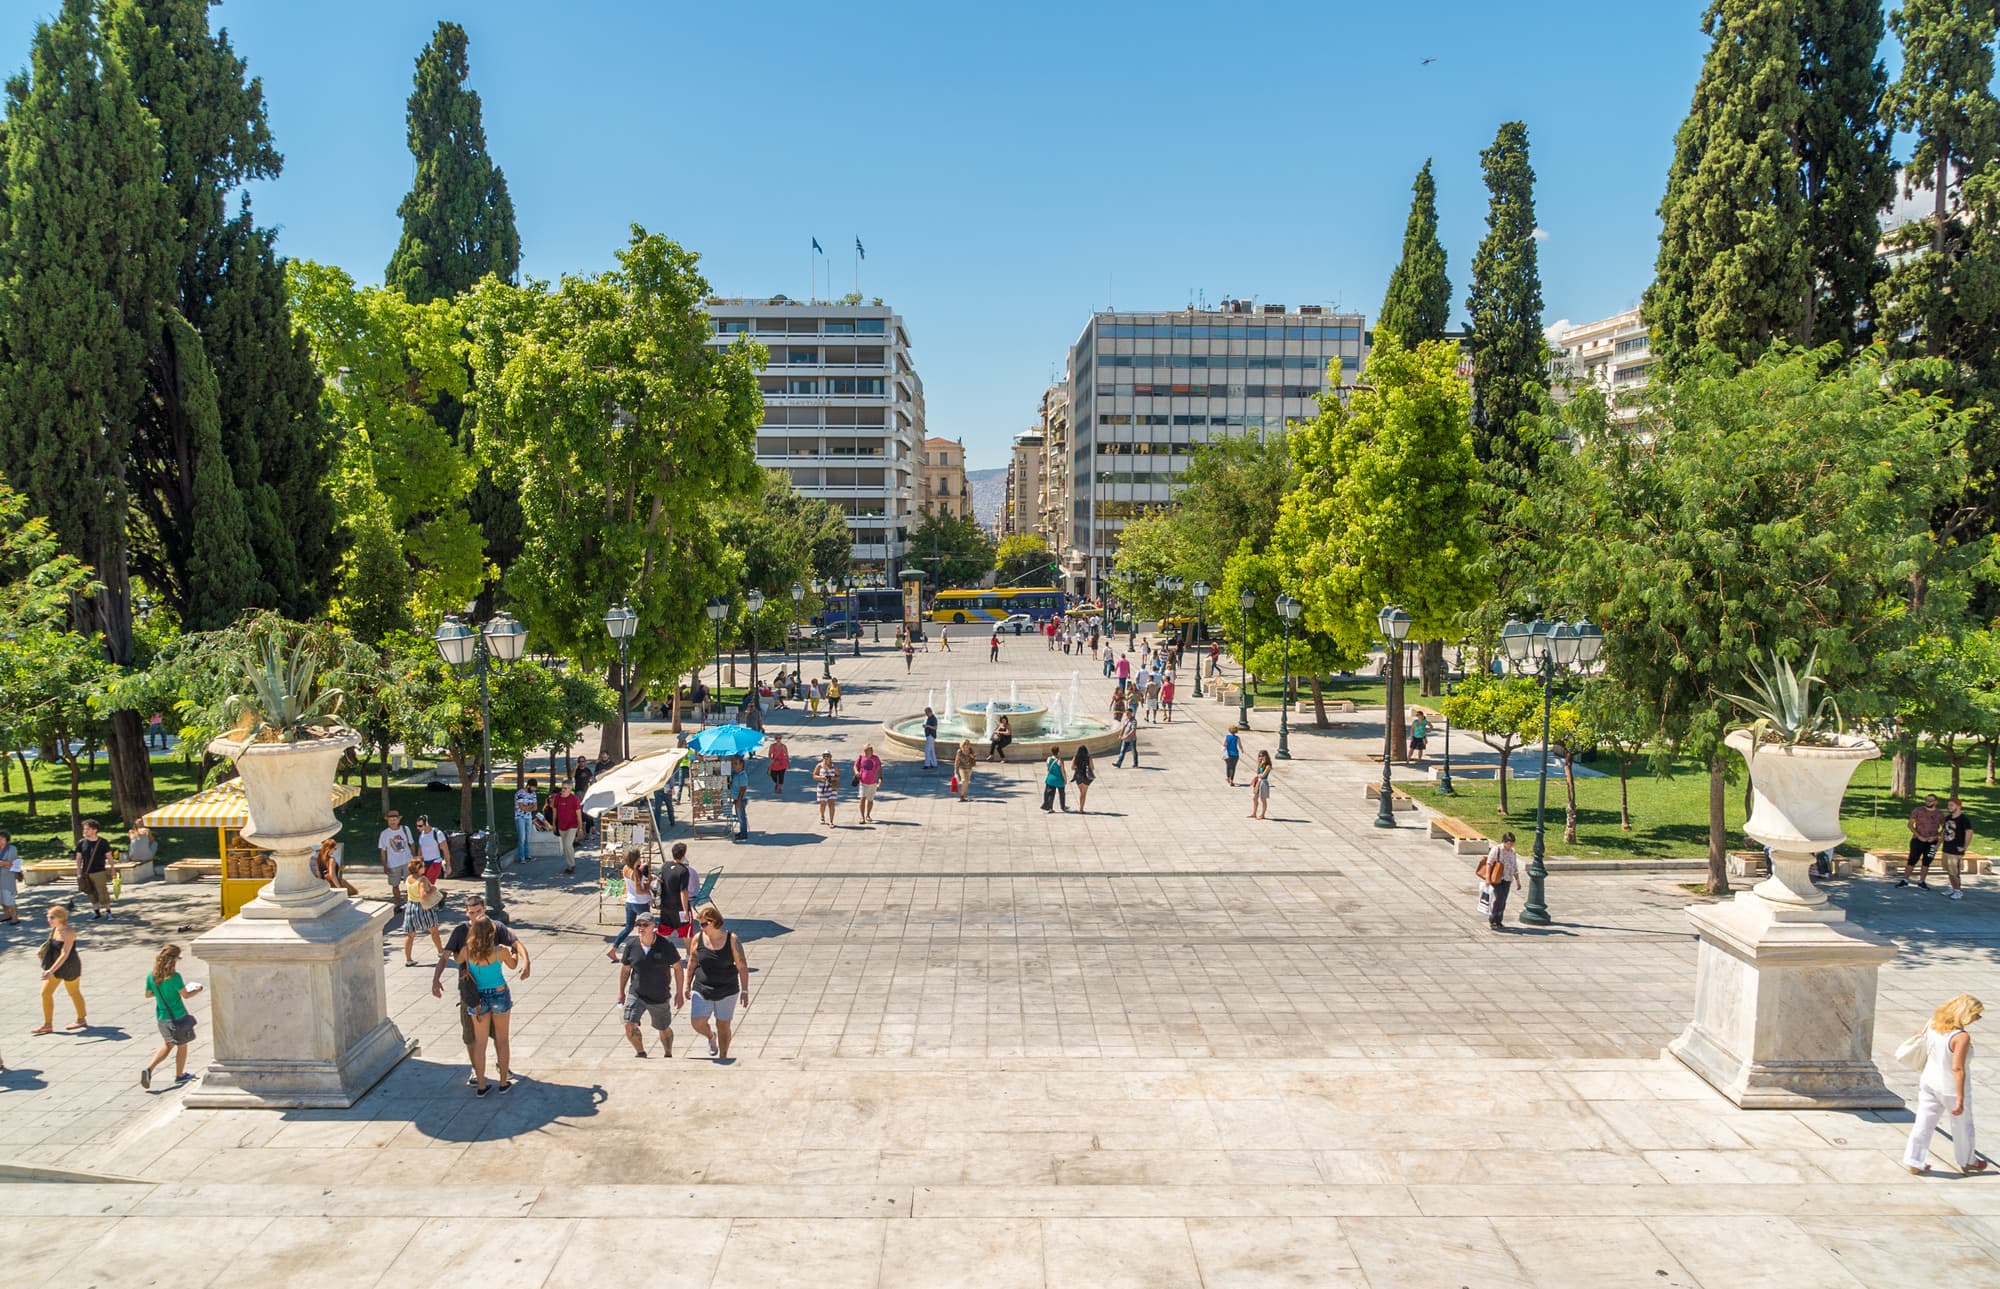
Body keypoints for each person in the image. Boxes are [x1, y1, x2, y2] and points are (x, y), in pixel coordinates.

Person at [433, 895, 530, 1086]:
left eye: (478, 911)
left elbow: (516, 942)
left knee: (480, 1041)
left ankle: (484, 1081)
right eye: (471, 912)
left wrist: (528, 962)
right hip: (476, 993)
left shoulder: (490, 931)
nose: (475, 916)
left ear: (484, 909)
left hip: (475, 996)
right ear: (466, 912)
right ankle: (489, 1075)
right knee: (483, 1038)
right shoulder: (464, 931)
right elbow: (445, 956)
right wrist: (436, 979)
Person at [1905, 993, 1987, 1174]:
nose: (1978, 1018)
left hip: (1929, 1081)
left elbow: (1920, 1037)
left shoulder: (1933, 1022)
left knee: (1923, 1123)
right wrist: (1960, 1098)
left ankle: (1914, 1160)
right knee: (1962, 1126)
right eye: (1976, 1014)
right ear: (1965, 1013)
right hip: (1950, 1088)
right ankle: (1967, 1161)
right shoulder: (1961, 1037)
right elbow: (1957, 1069)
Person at [456, 917, 519, 1095]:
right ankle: (503, 1082)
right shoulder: (499, 951)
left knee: (480, 1043)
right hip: (499, 994)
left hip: (478, 999)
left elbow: (458, 960)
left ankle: (482, 1085)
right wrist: (514, 950)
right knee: (502, 1039)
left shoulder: (467, 951)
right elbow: (513, 965)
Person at [687, 903, 751, 1060]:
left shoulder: (731, 940)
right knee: (697, 1022)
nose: (701, 927)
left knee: (723, 1025)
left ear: (714, 922)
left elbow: (742, 967)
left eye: (704, 924)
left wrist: (745, 990)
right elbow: (692, 963)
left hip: (727, 989)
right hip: (702, 987)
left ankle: (723, 1056)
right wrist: (687, 985)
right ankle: (710, 1036)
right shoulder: (698, 939)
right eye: (699, 924)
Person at [617, 914, 686, 1058]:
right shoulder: (631, 945)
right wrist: (621, 992)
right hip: (637, 993)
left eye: (645, 925)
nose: (641, 928)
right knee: (628, 1024)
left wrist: (679, 993)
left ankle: (668, 1053)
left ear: (654, 927)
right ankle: (640, 1052)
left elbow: (678, 968)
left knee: (663, 1028)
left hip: (659, 996)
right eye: (639, 925)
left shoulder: (665, 945)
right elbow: (625, 969)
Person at [141, 943, 202, 1089]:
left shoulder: (151, 976)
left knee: (168, 1045)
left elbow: (148, 994)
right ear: (174, 959)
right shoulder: (175, 977)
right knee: (182, 1045)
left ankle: (149, 1068)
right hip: (178, 1017)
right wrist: (198, 990)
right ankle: (180, 1075)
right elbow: (185, 995)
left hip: (162, 1017)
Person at [33, 905, 85, 1034]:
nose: (49, 920)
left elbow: (65, 953)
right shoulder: (55, 929)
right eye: (48, 917)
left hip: (70, 966)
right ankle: (47, 1024)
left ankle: (81, 1019)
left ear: (61, 918)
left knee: (74, 992)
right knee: (45, 993)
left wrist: (50, 970)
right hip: (55, 966)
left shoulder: (69, 932)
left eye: (52, 917)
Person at [607, 848, 653, 958]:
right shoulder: (635, 873)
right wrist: (649, 891)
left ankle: (613, 948)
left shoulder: (625, 868)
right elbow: (639, 890)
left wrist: (645, 867)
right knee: (648, 926)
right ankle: (646, 950)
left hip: (629, 902)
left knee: (628, 927)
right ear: (636, 858)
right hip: (640, 902)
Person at [402, 860, 447, 966]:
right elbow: (424, 896)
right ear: (419, 868)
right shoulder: (422, 879)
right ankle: (441, 951)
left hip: (411, 906)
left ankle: (408, 959)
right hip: (423, 907)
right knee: (434, 930)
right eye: (423, 866)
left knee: (410, 934)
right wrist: (433, 890)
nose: (425, 867)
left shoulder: (408, 878)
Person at [1900, 793, 1946, 889]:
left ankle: (1922, 881)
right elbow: (1910, 825)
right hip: (1917, 840)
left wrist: (1936, 837)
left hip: (1932, 842)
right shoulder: (1918, 810)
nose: (1928, 802)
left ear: (1936, 802)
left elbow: (1945, 828)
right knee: (1912, 860)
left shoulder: (1940, 814)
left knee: (1927, 861)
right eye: (1926, 800)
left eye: (1930, 801)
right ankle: (1905, 880)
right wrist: (1919, 836)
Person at [74, 819, 114, 920]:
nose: (85, 831)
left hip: (99, 871)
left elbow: (109, 857)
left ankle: (108, 912)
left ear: (95, 830)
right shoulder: (81, 842)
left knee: (102, 892)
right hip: (86, 872)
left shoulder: (103, 842)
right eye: (84, 829)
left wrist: (113, 869)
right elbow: (78, 858)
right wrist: (78, 871)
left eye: (87, 829)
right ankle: (96, 912)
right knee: (90, 892)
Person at [1480, 832, 1521, 930]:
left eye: (1512, 844)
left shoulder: (1512, 852)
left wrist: (1518, 880)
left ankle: (1499, 920)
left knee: (1503, 900)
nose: (1510, 846)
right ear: (1504, 842)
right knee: (1499, 898)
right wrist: (1487, 878)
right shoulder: (1497, 849)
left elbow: (1514, 867)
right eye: (1509, 844)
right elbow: (1489, 863)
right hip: (1497, 879)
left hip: (1507, 878)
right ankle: (1493, 919)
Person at [378, 809, 415, 905]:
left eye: (395, 819)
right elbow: (383, 850)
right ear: (387, 821)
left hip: (407, 860)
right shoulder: (384, 834)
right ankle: (398, 903)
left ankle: (410, 902)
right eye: (390, 820)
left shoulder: (405, 829)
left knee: (410, 883)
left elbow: (412, 844)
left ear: (398, 820)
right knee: (395, 885)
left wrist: (414, 858)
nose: (393, 822)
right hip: (393, 863)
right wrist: (385, 865)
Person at [1941, 796, 1974, 901]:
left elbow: (1969, 833)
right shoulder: (1948, 818)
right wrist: (1938, 845)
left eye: (1951, 805)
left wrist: (1964, 847)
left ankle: (1958, 891)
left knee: (1955, 872)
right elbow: (1944, 832)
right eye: (1948, 805)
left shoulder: (1964, 819)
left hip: (1956, 850)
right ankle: (1953, 888)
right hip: (1946, 848)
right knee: (1949, 871)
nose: (1949, 807)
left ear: (1959, 806)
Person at [662, 841, 697, 938]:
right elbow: (683, 891)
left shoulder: (665, 866)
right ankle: (689, 953)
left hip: (666, 907)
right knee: (686, 934)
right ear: (683, 855)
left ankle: (659, 951)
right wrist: (686, 910)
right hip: (679, 908)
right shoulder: (683, 870)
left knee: (664, 933)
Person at [551, 782, 583, 874]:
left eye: (566, 788)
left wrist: (580, 828)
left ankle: (571, 865)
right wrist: (554, 824)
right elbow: (554, 811)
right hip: (561, 825)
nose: (563, 790)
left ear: (570, 789)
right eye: (563, 788)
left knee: (568, 844)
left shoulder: (574, 799)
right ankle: (569, 865)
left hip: (572, 825)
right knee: (565, 847)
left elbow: (578, 814)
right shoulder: (557, 797)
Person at [854, 743, 884, 825]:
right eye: (866, 750)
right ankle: (862, 817)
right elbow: (855, 766)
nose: (867, 751)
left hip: (873, 782)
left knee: (870, 800)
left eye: (869, 749)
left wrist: (881, 778)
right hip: (863, 782)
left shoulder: (876, 758)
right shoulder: (861, 758)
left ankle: (868, 815)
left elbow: (879, 768)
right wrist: (856, 772)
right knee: (862, 799)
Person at [513, 779, 540, 864]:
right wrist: (530, 806)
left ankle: (527, 855)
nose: (534, 789)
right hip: (520, 817)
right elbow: (521, 807)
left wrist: (527, 807)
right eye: (533, 787)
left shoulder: (533, 794)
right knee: (522, 837)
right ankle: (521, 857)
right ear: (528, 785)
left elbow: (535, 807)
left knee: (527, 837)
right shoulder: (520, 793)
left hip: (528, 817)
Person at [413, 815, 447, 883]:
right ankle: (438, 893)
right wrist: (418, 863)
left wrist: (448, 865)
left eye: (420, 826)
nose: (418, 828)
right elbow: (420, 850)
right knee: (423, 884)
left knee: (428, 884)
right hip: (424, 863)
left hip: (435, 862)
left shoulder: (438, 834)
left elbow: (446, 850)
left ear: (427, 824)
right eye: (417, 826)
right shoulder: (421, 835)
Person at [814, 752, 841, 826]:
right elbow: (814, 775)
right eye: (824, 756)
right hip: (822, 787)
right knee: (823, 804)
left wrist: (832, 778)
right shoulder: (819, 765)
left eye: (827, 756)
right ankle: (822, 816)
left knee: (832, 804)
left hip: (832, 787)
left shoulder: (834, 766)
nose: (826, 757)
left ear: (830, 757)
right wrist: (821, 777)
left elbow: (838, 776)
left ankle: (831, 821)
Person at [0, 830, 20, 924]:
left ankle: (15, 917)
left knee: (9, 896)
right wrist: (4, 863)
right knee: (1, 897)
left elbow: (11, 863)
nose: (0, 840)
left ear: (7, 839)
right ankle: (6, 914)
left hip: (8, 876)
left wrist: (3, 863)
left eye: (2, 838)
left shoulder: (11, 848)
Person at [730, 754, 750, 842]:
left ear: (741, 765)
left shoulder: (742, 776)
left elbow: (743, 789)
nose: (733, 765)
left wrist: (739, 800)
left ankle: (744, 834)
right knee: (739, 816)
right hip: (736, 798)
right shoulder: (736, 774)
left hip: (740, 799)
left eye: (735, 764)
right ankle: (742, 832)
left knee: (742, 817)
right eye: (733, 763)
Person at [1042, 747, 1068, 813]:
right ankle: (1063, 806)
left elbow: (1048, 769)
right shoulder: (1060, 761)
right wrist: (1065, 779)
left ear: (1051, 752)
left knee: (1051, 794)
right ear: (1058, 752)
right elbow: (1063, 771)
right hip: (1059, 779)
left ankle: (1050, 808)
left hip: (1050, 779)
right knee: (1062, 793)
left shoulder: (1048, 759)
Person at [1070, 744, 1095, 813]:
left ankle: (1081, 808)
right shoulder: (1088, 757)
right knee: (1083, 793)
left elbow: (1072, 767)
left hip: (1078, 776)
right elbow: (1092, 767)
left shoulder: (1075, 757)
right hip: (1086, 776)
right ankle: (1081, 809)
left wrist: (1077, 767)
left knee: (1081, 792)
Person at [1249, 750, 1273, 820]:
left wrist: (1259, 775)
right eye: (1259, 756)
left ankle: (1262, 814)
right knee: (1254, 798)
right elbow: (1257, 772)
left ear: (1265, 756)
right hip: (1258, 782)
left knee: (1263, 799)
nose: (1260, 757)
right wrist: (1258, 764)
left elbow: (1263, 775)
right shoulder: (1261, 764)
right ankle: (1254, 813)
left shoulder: (1268, 766)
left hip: (1264, 783)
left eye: (1262, 756)